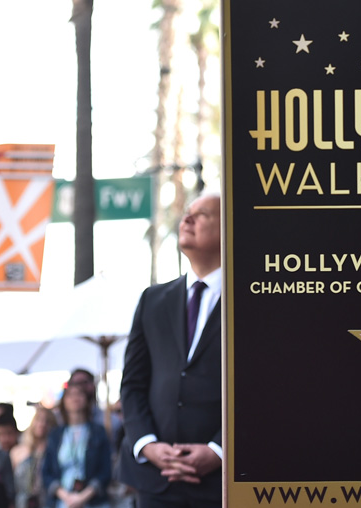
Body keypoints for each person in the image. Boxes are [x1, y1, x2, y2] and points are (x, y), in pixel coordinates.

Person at [119, 193, 222, 508]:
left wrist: (221, 450)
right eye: (186, 213)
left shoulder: (253, 300)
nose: (186, 219)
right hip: (156, 482)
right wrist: (147, 444)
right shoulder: (152, 300)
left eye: (201, 214)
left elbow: (265, 388)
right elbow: (133, 385)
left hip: (224, 483)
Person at [42, 382, 111, 508]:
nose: (75, 398)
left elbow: (106, 470)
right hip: (63, 501)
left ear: (86, 399)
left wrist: (83, 497)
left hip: (93, 501)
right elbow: (46, 472)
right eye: (70, 395)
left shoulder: (98, 432)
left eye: (79, 394)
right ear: (64, 401)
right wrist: (65, 496)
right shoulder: (56, 434)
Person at [12, 406, 56, 508]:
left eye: (47, 421)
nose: (42, 424)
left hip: (48, 502)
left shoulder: (55, 451)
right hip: (23, 502)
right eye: (39, 420)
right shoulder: (17, 451)